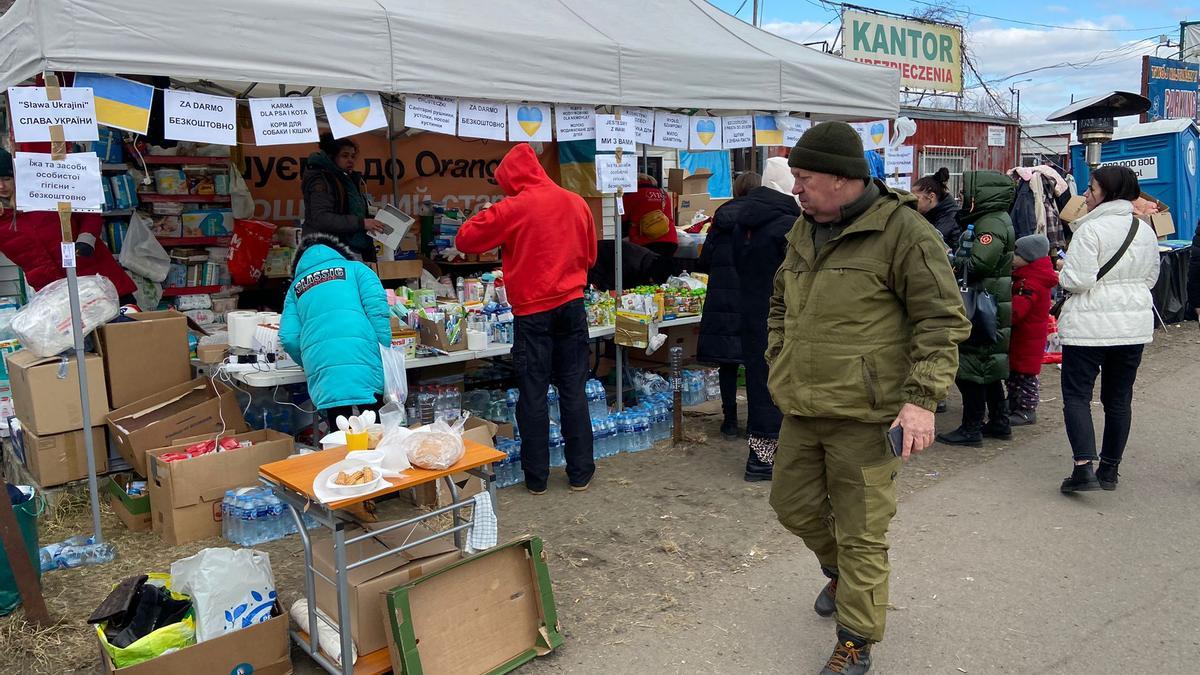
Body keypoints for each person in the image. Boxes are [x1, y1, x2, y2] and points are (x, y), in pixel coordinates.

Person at [767, 122, 970, 674]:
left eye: (805, 178)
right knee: (792, 506)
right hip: (803, 406)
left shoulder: (906, 233)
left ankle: (855, 642)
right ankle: (843, 577)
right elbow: (782, 302)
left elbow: (941, 320)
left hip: (867, 413)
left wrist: (923, 399)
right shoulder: (804, 229)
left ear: (841, 177)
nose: (796, 188)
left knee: (862, 533)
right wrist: (777, 357)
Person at [456, 143, 598, 494]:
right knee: (573, 390)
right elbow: (591, 255)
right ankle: (580, 472)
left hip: (532, 313)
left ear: (511, 179)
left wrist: (487, 212)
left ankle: (537, 478)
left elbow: (465, 239)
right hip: (572, 304)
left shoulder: (511, 208)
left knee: (533, 394)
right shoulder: (576, 202)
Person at [1056, 166, 1159, 493]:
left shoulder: (1090, 230)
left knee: (1077, 395)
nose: (1086, 195)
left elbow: (1079, 280)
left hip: (1088, 325)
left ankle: (1083, 468)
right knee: (1118, 399)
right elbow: (1151, 278)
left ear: (1108, 193)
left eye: (1091, 189)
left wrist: (1062, 272)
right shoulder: (1144, 230)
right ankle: (1110, 470)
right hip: (1132, 326)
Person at [726, 158, 801, 481]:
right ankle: (767, 458)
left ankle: (762, 453)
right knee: (779, 383)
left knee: (760, 381)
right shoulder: (787, 225)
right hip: (780, 314)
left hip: (751, 309)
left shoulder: (744, 220)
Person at [936, 171, 1016, 448]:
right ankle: (998, 420)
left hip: (982, 304)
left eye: (965, 193)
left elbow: (979, 263)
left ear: (981, 193)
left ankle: (971, 428)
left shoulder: (990, 223)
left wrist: (951, 259)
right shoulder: (992, 219)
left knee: (972, 367)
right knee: (987, 365)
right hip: (991, 301)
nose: (961, 198)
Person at [279, 234, 391, 431]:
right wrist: (383, 350)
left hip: (322, 364)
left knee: (340, 434)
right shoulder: (357, 270)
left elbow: (288, 337)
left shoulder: (295, 288)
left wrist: (308, 361)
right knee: (376, 430)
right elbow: (378, 311)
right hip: (363, 355)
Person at [0, 148, 138, 305]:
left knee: (126, 327)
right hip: (55, 292)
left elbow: (88, 212)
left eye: (6, 179)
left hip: (94, 275)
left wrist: (86, 238)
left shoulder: (46, 189)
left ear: (17, 176)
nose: (1, 186)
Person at [697, 172, 761, 441]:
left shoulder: (720, 219)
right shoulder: (762, 218)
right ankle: (757, 419)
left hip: (723, 298)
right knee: (756, 362)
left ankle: (730, 420)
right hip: (752, 296)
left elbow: (705, 259)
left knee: (728, 364)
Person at [301, 133, 385, 262]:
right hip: (327, 251)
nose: (350, 160)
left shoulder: (346, 179)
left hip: (346, 250)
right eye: (345, 156)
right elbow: (321, 218)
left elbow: (347, 210)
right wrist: (361, 223)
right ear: (332, 157)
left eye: (352, 156)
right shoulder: (321, 180)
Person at [1007, 234, 1058, 426]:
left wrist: (1004, 313)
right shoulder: (1032, 277)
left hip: (1026, 338)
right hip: (1028, 337)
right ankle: (1015, 404)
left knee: (1025, 375)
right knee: (1017, 373)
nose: (1013, 256)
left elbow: (1018, 311)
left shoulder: (1029, 282)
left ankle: (1026, 409)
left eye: (1017, 253)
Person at [621, 174, 678, 258]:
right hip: (670, 239)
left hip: (643, 241)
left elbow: (622, 218)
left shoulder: (631, 195)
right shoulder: (664, 194)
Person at [912, 167, 961, 249]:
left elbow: (928, 246)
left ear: (931, 197)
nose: (912, 202)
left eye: (916, 198)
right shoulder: (930, 213)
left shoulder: (949, 218)